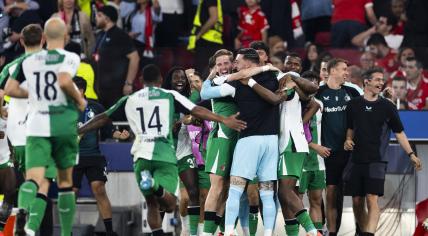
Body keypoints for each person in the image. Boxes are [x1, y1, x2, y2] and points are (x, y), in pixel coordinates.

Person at [78, 64, 246, 236]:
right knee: (170, 203)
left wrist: (80, 130)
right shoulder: (169, 96)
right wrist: (223, 119)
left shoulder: (130, 99)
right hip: (164, 154)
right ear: (160, 80)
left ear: (141, 80)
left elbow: (102, 118)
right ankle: (154, 185)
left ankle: (161, 210)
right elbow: (197, 110)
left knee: (152, 203)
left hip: (141, 156)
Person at [5, 18, 86, 236]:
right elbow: (63, 80)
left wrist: (31, 93)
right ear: (65, 36)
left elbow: (10, 89)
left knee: (32, 179)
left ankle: (23, 215)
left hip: (34, 126)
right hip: (62, 124)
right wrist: (80, 100)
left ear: (45, 37)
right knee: (65, 183)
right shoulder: (70, 57)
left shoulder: (26, 62)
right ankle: (65, 233)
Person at [344, 67, 422, 236]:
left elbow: (399, 133)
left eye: (382, 80)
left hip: (377, 160)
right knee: (357, 200)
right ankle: (362, 231)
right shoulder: (353, 105)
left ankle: (368, 234)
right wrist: (348, 140)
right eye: (377, 79)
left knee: (372, 198)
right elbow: (350, 128)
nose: (381, 83)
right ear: (367, 81)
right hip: (356, 160)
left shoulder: (387, 106)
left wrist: (411, 154)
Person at [0, 24, 56, 236]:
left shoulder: (11, 67)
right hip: (42, 133)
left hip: (18, 138)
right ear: (43, 39)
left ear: (21, 41)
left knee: (29, 182)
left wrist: (2, 112)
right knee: (43, 186)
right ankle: (30, 227)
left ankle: (25, 222)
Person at [314, 58, 363, 235]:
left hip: (350, 152)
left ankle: (361, 231)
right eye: (343, 69)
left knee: (359, 194)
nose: (346, 73)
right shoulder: (318, 93)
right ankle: (332, 232)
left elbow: (366, 111)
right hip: (329, 152)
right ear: (332, 71)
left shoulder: (351, 92)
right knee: (331, 192)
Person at [73, 77, 127, 236]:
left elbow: (108, 129)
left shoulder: (96, 108)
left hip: (93, 156)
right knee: (71, 193)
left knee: (99, 189)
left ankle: (110, 231)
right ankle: (66, 230)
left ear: (81, 91)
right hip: (72, 158)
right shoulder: (65, 108)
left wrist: (120, 135)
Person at [93, 5, 139, 121]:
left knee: (117, 123)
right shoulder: (99, 35)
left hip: (116, 89)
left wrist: (128, 83)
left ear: (107, 18)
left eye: (99, 16)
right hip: (100, 88)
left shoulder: (120, 35)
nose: (96, 18)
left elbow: (135, 58)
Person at [188, 0, 224, 75]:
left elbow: (214, 18)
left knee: (203, 74)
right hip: (212, 41)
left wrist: (199, 34)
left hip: (207, 42)